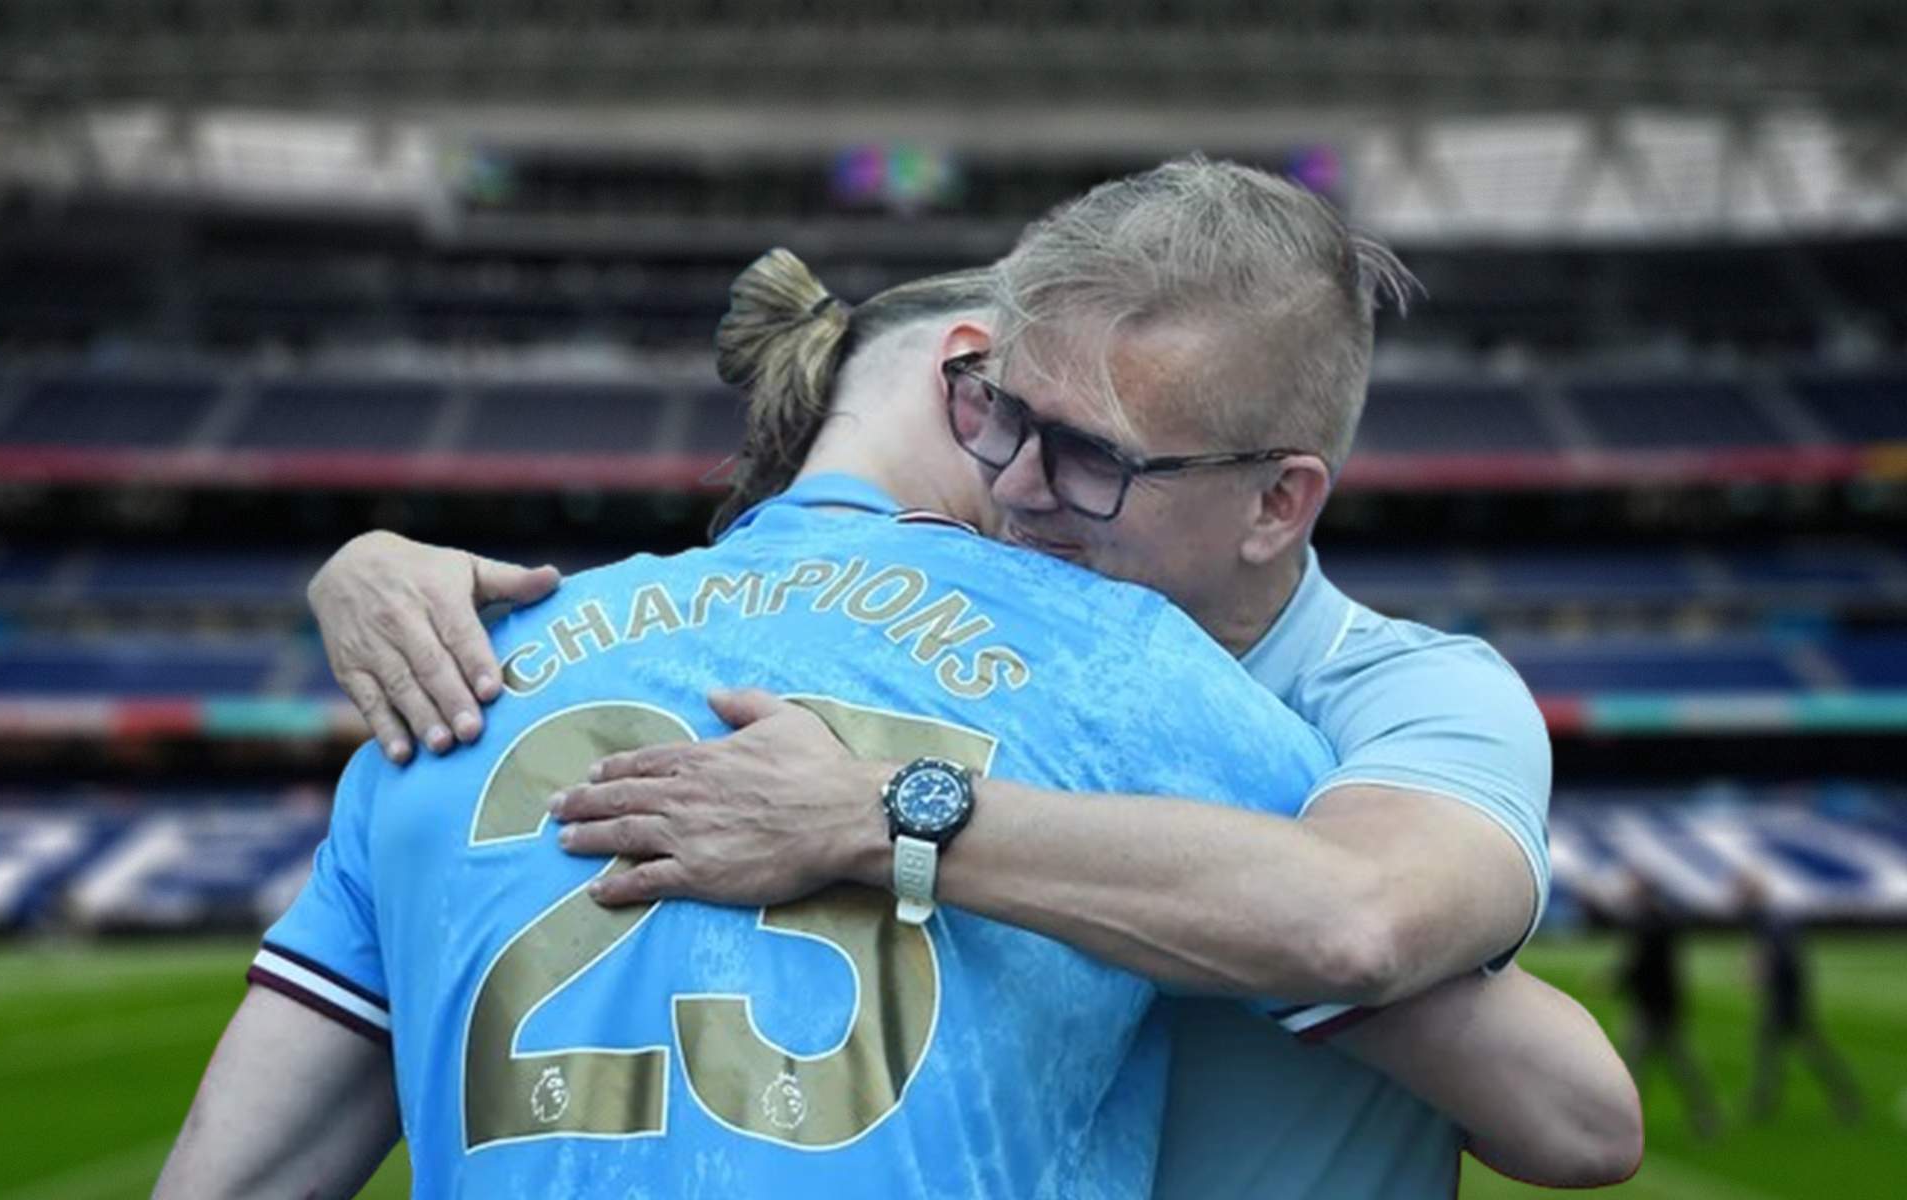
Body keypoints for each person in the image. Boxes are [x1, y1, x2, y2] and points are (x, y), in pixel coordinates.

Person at [160, 252, 1625, 1199]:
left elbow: (230, 1178)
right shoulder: (1142, 682)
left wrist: (888, 814)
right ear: (974, 379)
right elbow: (1571, 1118)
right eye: (1045, 425)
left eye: (1102, 452)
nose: (1048, 486)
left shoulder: (459, 669)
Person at [1737, 868, 1861, 1123]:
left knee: (1806, 1050)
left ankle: (1845, 1096)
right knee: (1778, 1050)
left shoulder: (1770, 919)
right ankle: (1766, 1100)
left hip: (1787, 999)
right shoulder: (1770, 917)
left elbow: (1781, 959)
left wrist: (1760, 971)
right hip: (1787, 996)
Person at [1615, 868, 1722, 1139]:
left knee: (1644, 1066)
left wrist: (1617, 981)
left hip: (1654, 1006)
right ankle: (1705, 1115)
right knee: (1674, 1065)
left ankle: (1627, 1125)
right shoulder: (1660, 919)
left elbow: (1642, 964)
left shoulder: (1648, 922)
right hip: (1662, 1004)